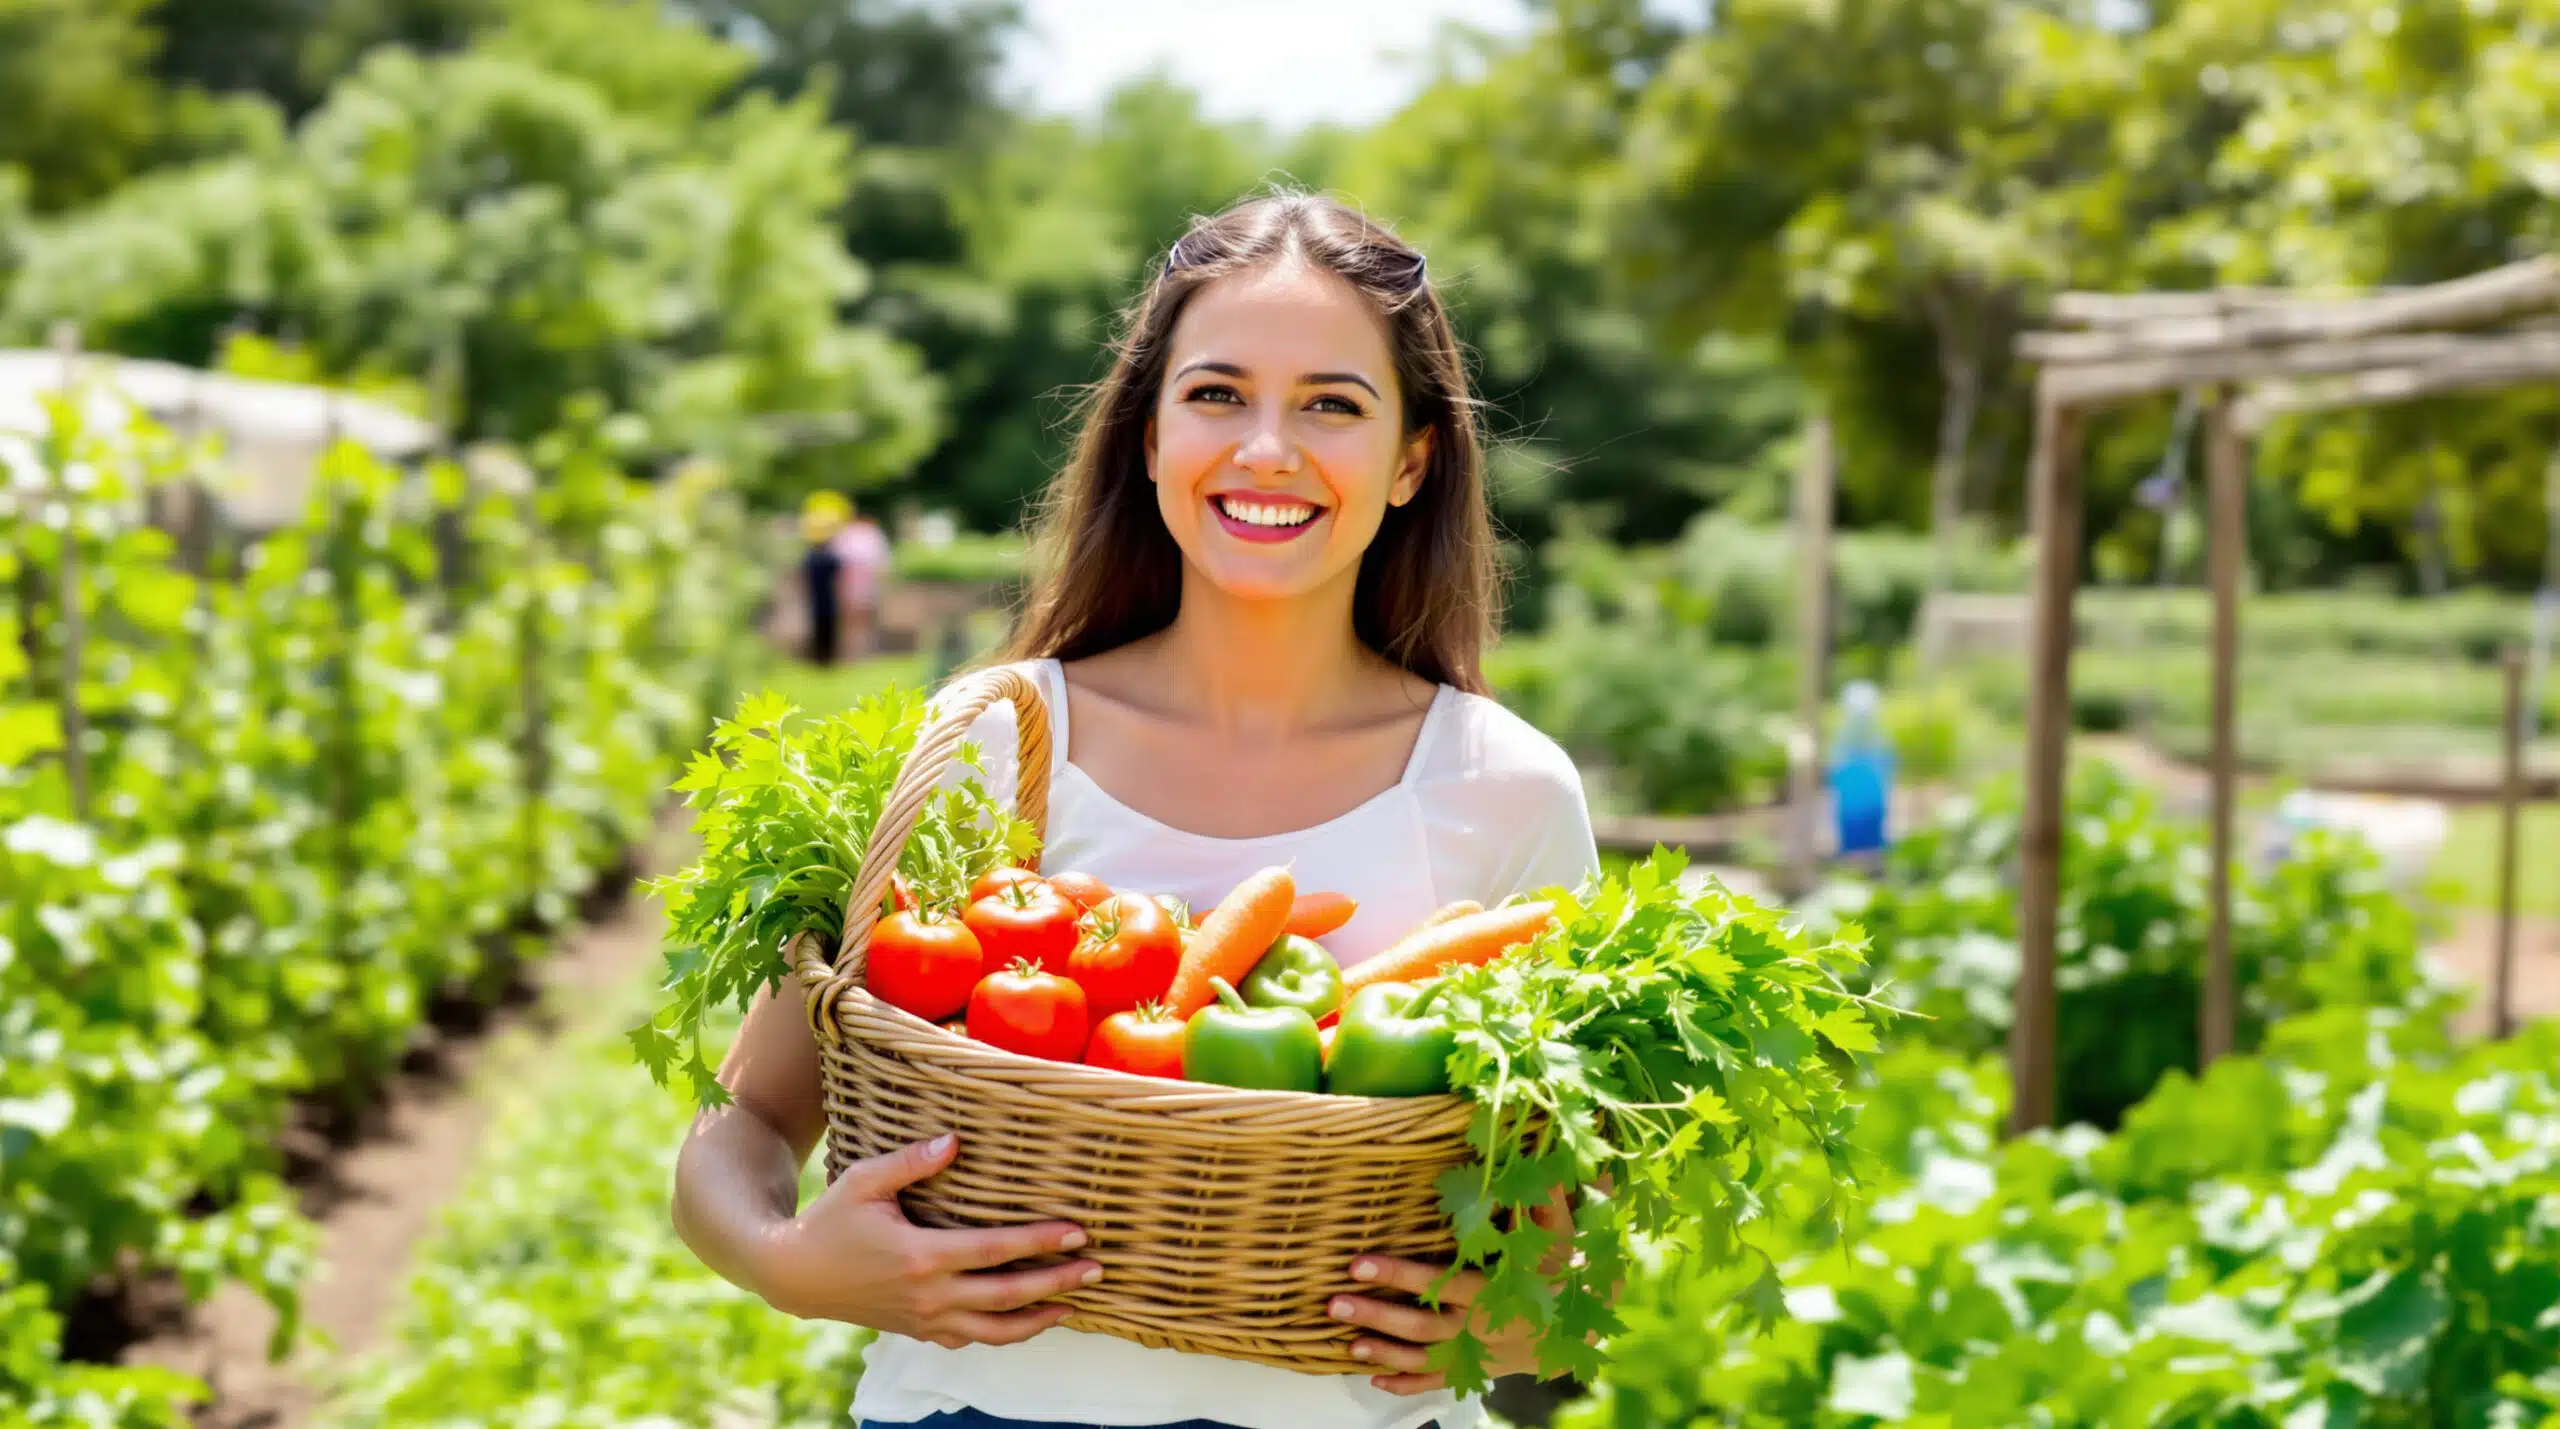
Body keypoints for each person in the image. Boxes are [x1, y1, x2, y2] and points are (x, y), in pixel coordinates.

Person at [670, 191, 1601, 1429]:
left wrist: (1524, 1307)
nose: (1266, 448)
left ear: (1411, 461)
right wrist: (788, 1264)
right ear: (1150, 439)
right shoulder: (996, 744)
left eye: (1332, 402)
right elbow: (746, 1114)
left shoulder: (1502, 786)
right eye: (1216, 394)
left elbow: (1573, 1210)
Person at [829, 498, 892, 659]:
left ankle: (857, 650)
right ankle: (855, 650)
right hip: (854, 579)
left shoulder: (850, 534)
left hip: (858, 579)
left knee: (857, 618)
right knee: (855, 618)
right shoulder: (861, 534)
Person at [800, 494, 850, 665]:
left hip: (815, 597)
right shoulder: (831, 557)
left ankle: (819, 657)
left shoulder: (810, 557)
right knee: (829, 628)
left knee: (818, 627)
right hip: (829, 597)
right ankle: (828, 658)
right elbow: (840, 576)